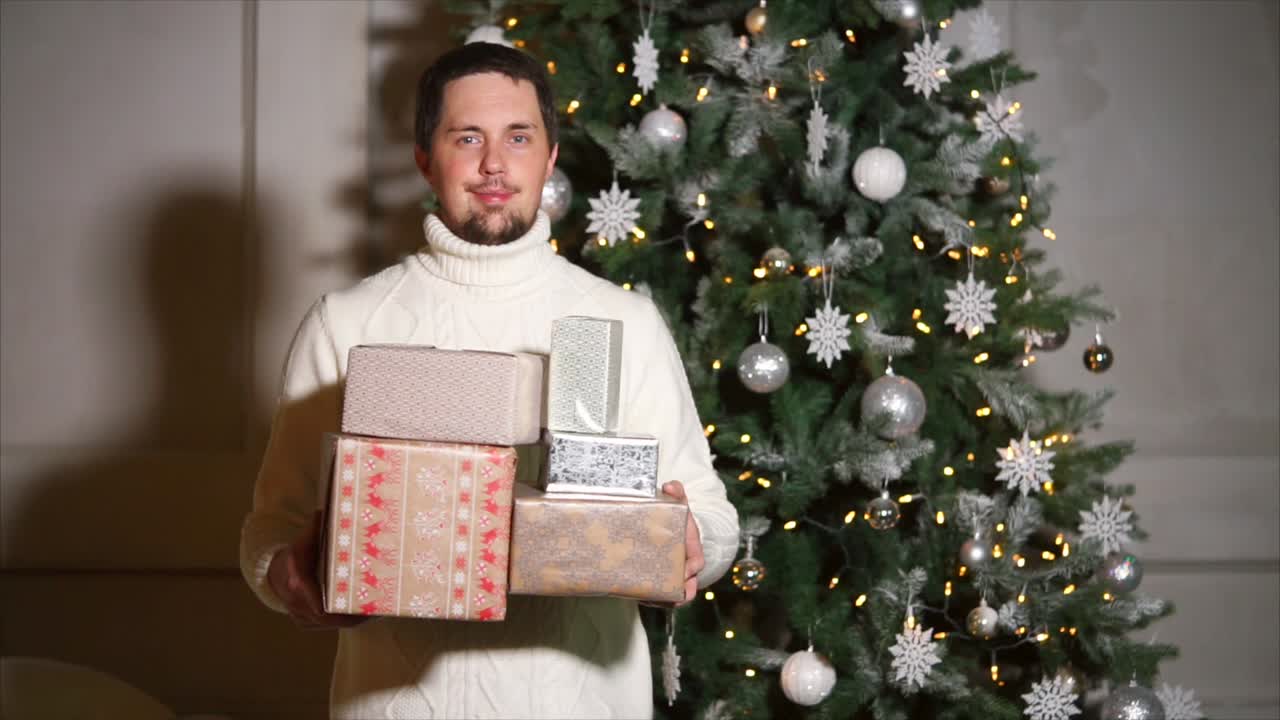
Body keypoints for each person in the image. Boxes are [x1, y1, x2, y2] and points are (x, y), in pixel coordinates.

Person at [239, 42, 740, 719]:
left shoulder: (623, 320)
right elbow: (270, 531)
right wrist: (294, 578)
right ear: (424, 158)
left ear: (550, 156)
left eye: (519, 137)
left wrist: (688, 548)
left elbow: (710, 515)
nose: (495, 165)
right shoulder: (348, 323)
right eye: (467, 137)